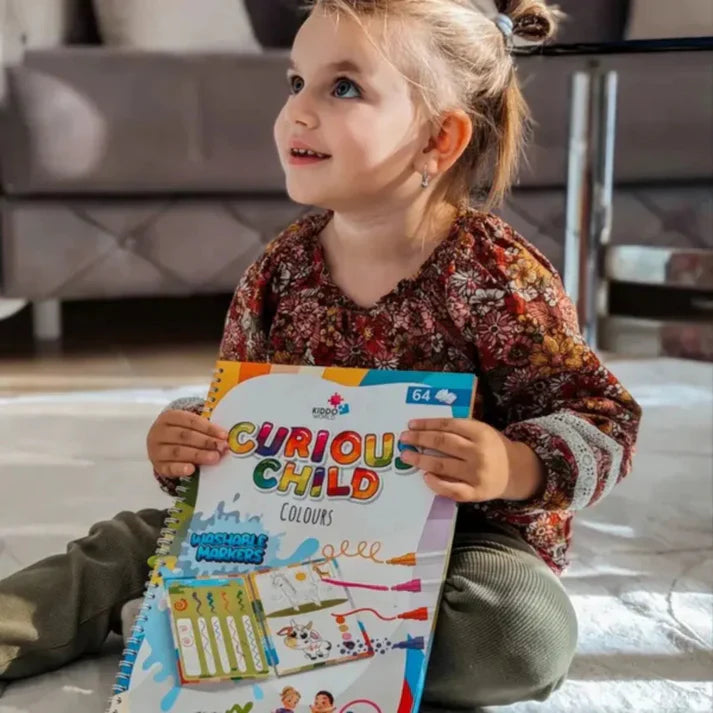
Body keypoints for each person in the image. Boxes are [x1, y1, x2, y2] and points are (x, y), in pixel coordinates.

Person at [0, 1, 642, 710]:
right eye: (295, 82)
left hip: (457, 546)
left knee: (515, 633)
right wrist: (190, 437)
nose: (297, 112)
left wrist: (512, 464)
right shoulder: (280, 270)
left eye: (343, 88)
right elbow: (240, 409)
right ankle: (205, 622)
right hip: (280, 534)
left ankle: (210, 627)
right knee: (127, 547)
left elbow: (603, 419)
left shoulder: (495, 275)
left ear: (439, 138)